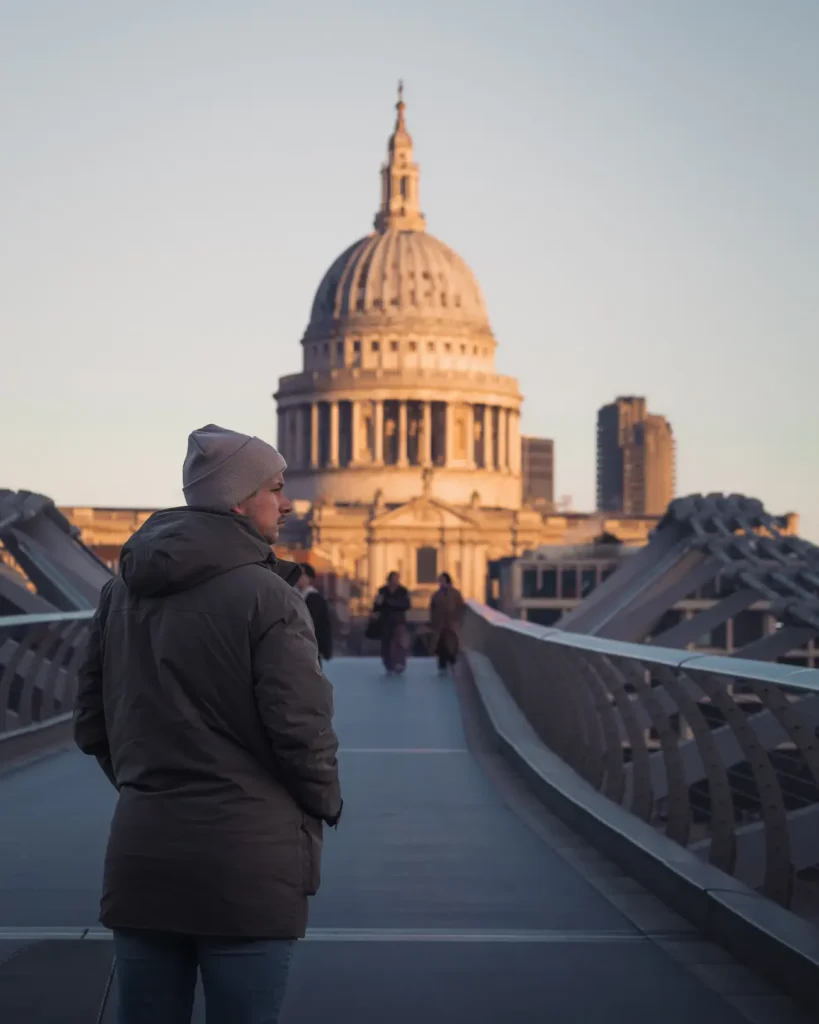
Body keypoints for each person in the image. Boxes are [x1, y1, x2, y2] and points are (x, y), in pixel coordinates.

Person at [73, 423, 342, 1024]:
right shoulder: (272, 598)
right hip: (248, 865)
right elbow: (302, 731)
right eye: (277, 487)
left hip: (142, 852)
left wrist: (147, 785)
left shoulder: (118, 593)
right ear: (241, 500)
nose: (289, 502)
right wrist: (324, 801)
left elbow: (91, 724)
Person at [372, 570, 411, 674]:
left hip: (398, 621)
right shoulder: (382, 591)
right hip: (385, 621)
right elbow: (376, 606)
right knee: (386, 644)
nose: (396, 581)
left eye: (397, 579)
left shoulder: (403, 591)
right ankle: (388, 665)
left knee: (399, 643)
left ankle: (399, 664)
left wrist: (390, 603)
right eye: (394, 578)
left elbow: (406, 605)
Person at [296, 563, 333, 665]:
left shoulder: (315, 598)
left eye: (302, 575)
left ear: (310, 578)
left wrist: (325, 648)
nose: (299, 578)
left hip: (311, 645)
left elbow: (321, 625)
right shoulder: (293, 595)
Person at [429, 572, 465, 675]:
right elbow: (432, 609)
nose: (440, 582)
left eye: (442, 580)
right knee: (441, 645)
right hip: (440, 624)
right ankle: (442, 665)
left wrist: (457, 619)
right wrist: (434, 621)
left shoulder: (455, 594)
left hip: (451, 623)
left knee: (452, 645)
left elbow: (461, 608)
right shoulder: (436, 595)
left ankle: (452, 662)